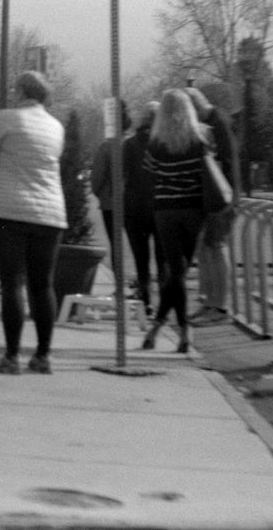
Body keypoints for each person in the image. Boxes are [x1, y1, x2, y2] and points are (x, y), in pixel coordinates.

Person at [0, 72, 66, 375]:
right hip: (50, 213)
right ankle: (42, 355)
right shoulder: (55, 126)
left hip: (5, 211)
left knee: (12, 282)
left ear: (21, 91)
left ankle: (11, 356)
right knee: (42, 284)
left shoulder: (6, 119)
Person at [141, 88, 211, 354]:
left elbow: (151, 175)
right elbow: (207, 172)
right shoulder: (200, 139)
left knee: (175, 271)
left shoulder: (156, 142)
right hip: (193, 210)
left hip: (165, 211)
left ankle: (162, 327)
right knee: (179, 273)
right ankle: (181, 332)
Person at [185, 84, 238, 326]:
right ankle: (209, 303)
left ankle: (219, 306)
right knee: (207, 249)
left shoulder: (219, 122)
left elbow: (228, 161)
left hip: (221, 197)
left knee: (215, 247)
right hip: (213, 196)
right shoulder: (214, 120)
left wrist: (230, 199)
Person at [122, 101, 160, 314]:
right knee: (163, 258)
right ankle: (164, 303)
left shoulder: (130, 144)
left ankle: (146, 302)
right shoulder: (163, 142)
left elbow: (122, 174)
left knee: (141, 259)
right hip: (159, 207)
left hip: (134, 208)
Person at [90, 100, 131, 251]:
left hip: (110, 202)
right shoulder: (132, 143)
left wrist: (100, 193)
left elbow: (97, 177)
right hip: (132, 201)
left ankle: (117, 274)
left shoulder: (107, 147)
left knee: (116, 245)